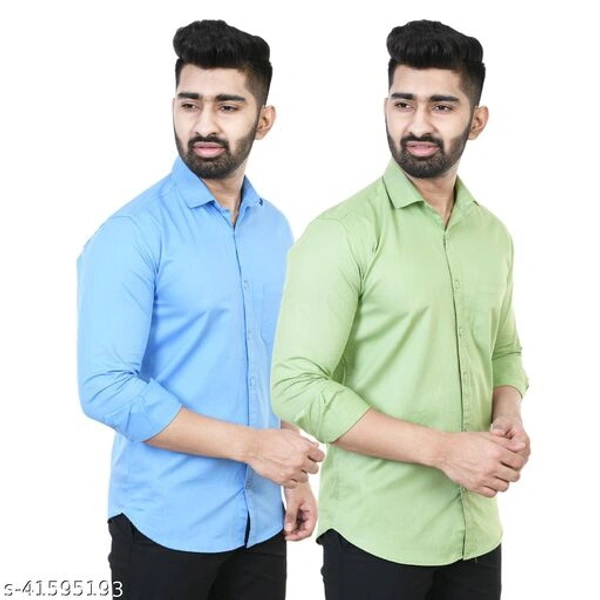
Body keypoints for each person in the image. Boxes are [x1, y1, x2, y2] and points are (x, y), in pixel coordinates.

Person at [271, 19, 529, 600]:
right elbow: (294, 385)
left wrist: (507, 413)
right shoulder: (341, 233)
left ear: (476, 121)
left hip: (476, 533)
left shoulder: (493, 236)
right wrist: (444, 451)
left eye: (442, 106)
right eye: (403, 103)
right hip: (376, 538)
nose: (417, 124)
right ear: (385, 108)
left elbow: (503, 350)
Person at [77, 19, 323, 600]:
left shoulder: (275, 229)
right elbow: (105, 388)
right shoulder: (131, 234)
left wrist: (290, 475)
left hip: (260, 522)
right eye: (190, 104)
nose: (204, 124)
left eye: (228, 106)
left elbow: (273, 360)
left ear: (264, 120)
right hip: (163, 526)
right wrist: (253, 447)